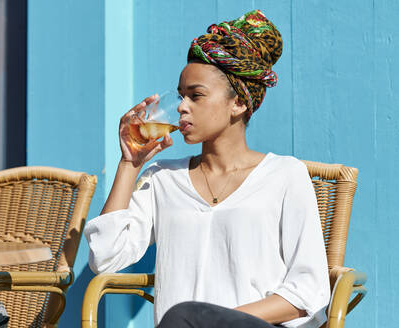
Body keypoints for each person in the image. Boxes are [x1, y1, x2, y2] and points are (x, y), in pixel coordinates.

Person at [84, 9, 330, 328]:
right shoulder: (162, 179)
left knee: (184, 316)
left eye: (196, 96)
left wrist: (217, 322)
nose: (183, 107)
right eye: (181, 95)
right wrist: (129, 165)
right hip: (181, 325)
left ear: (238, 103)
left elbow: (308, 290)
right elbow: (105, 258)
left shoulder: (285, 176)